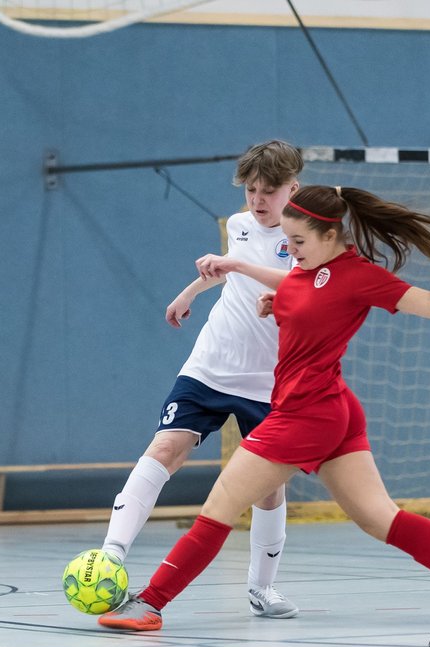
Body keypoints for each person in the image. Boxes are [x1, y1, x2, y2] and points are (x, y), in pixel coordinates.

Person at [98, 185, 430, 631]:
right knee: (380, 518)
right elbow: (300, 287)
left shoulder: (359, 275)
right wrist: (276, 301)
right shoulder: (311, 268)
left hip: (304, 414)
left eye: (299, 242)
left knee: (221, 504)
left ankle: (149, 603)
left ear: (331, 234)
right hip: (333, 410)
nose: (293, 251)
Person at [99, 140, 303, 618]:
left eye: (268, 191)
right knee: (165, 449)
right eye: (251, 189)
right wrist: (189, 291)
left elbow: (296, 285)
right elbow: (232, 274)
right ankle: (111, 555)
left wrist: (235, 265)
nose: (257, 199)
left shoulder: (305, 235)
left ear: (292, 188)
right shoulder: (239, 225)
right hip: (211, 364)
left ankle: (261, 588)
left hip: (269, 379)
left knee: (269, 485)